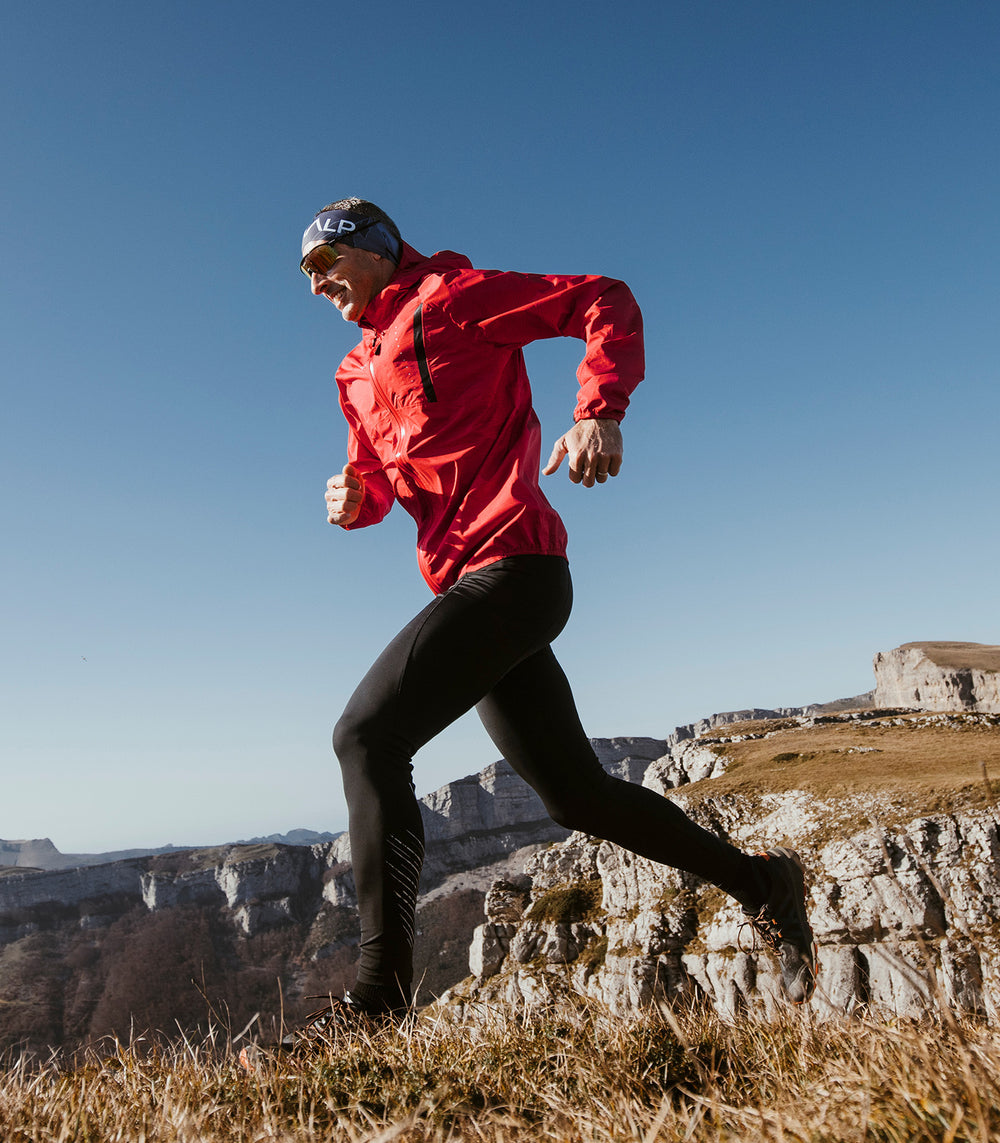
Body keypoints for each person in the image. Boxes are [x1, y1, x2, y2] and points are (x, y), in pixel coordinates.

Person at [302, 198, 814, 1030]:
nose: (316, 282)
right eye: (305, 274)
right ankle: (765, 883)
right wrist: (352, 498)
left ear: (378, 248)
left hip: (517, 569)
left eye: (326, 261)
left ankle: (378, 1001)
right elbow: (379, 483)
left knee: (365, 736)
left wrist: (599, 410)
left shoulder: (455, 298)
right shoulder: (352, 375)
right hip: (461, 584)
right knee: (577, 797)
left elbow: (602, 298)